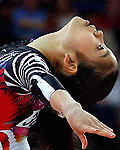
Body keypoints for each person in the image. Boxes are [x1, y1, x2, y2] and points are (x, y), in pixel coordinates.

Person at [0, 16, 118, 150]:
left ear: (70, 63)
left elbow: (39, 78)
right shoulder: (23, 49)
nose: (100, 34)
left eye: (100, 47)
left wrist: (72, 108)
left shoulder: (27, 64)